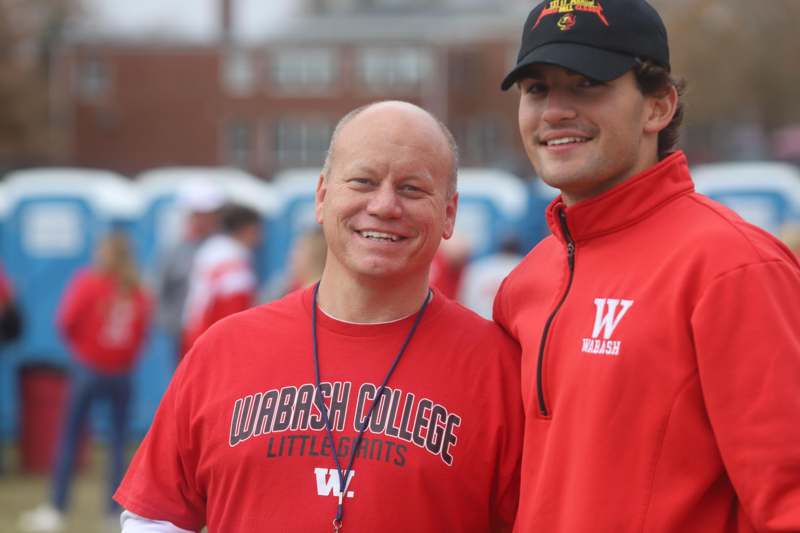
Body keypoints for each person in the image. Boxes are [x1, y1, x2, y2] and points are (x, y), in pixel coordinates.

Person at [114, 100, 523, 533]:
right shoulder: (223, 349)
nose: (384, 205)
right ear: (322, 196)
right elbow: (156, 515)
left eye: (412, 189)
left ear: (449, 213)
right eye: (363, 181)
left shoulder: (498, 369)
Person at [493, 1, 800, 532]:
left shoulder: (735, 267)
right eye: (536, 89)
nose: (554, 111)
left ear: (658, 107)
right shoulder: (524, 282)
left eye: (586, 84)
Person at [19, 233, 151, 533]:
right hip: (122, 373)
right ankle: (114, 510)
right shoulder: (137, 289)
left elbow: (66, 321)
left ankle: (57, 507)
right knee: (119, 443)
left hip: (89, 370)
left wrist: (83, 351)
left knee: (70, 437)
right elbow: (143, 331)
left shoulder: (89, 282)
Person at [154, 180, 224, 364]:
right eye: (198, 215)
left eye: (207, 215)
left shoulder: (226, 249)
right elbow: (159, 291)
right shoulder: (174, 251)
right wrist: (175, 325)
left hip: (220, 331)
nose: (203, 220)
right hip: (183, 336)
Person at [180, 203, 262, 355]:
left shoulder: (213, 249)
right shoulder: (233, 260)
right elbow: (233, 311)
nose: (261, 237)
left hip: (197, 334)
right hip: (215, 340)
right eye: (257, 230)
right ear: (246, 230)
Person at [459, 236, 522, 319]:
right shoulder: (523, 267)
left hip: (478, 320)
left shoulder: (479, 267)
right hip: (509, 324)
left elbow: (464, 300)